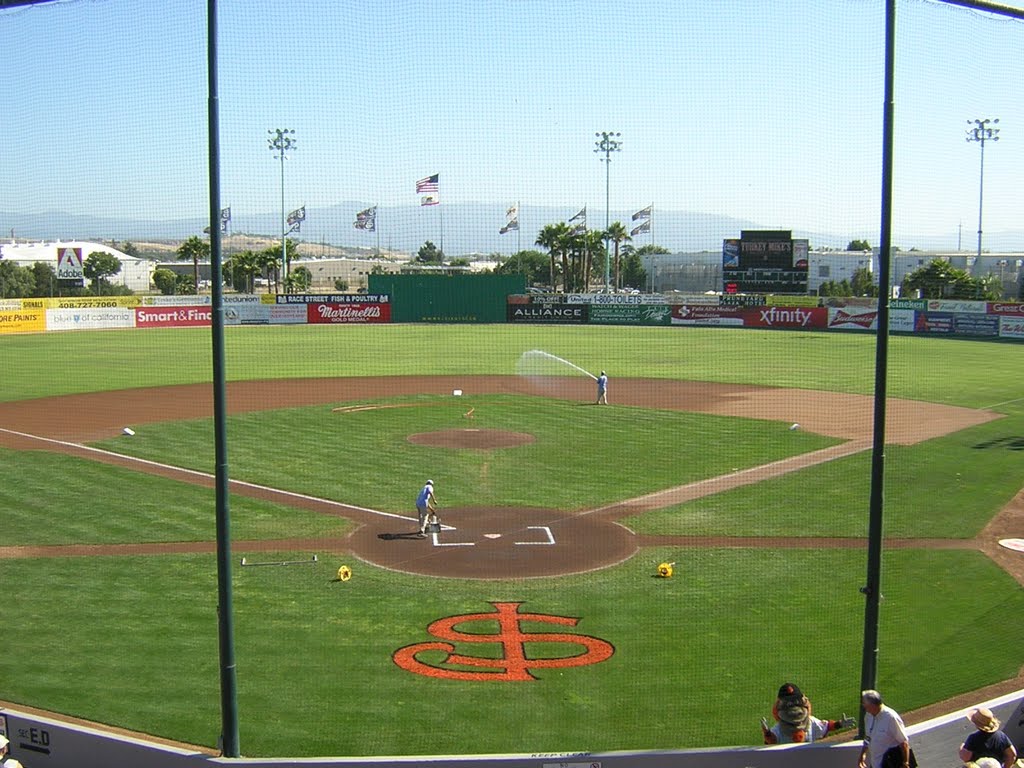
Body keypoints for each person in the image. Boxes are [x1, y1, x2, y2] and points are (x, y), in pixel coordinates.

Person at [760, 682, 855, 744]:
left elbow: (827, 726)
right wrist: (767, 733)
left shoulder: (811, 723)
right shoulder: (780, 729)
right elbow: (771, 741)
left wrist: (840, 724)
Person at [858, 690, 912, 768]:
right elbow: (868, 737)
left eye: (865, 705)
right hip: (875, 764)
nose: (864, 707)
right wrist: (863, 754)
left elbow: (903, 742)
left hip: (890, 763)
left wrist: (905, 763)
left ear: (873, 705)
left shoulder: (890, 717)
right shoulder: (868, 715)